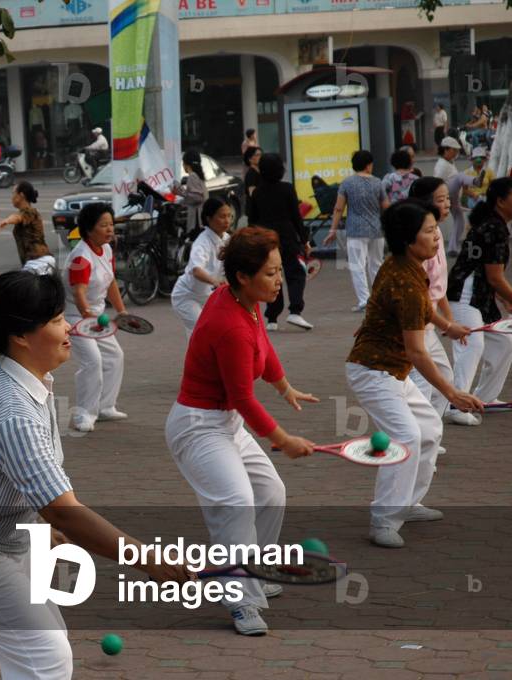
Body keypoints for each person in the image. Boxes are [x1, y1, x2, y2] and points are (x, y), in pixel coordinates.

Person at [0, 270, 192, 678]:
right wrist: (146, 558)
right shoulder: (12, 410)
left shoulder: (27, 382)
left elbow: (37, 495)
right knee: (46, 654)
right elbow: (65, 512)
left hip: (0, 538)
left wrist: (42, 526)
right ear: (22, 336)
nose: (69, 328)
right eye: (56, 319)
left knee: (43, 646)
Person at [167, 226, 317, 635]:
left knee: (271, 492)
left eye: (278, 270)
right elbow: (242, 398)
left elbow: (262, 348)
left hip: (224, 423)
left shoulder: (245, 303)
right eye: (269, 273)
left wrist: (284, 387)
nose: (278, 279)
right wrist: (283, 439)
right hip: (198, 428)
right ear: (242, 278)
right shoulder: (228, 322)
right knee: (236, 500)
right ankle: (241, 601)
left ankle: (250, 573)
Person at [346, 201, 483, 548]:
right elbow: (416, 351)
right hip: (372, 371)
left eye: (435, 228)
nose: (437, 236)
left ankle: (408, 504)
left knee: (430, 429)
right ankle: (384, 520)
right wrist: (452, 393)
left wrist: (448, 325)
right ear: (409, 239)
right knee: (405, 436)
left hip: (392, 372)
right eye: (428, 230)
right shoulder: (402, 278)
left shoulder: (407, 266)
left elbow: (424, 308)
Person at [405, 177, 472, 433]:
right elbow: (419, 298)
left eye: (448, 198)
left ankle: (427, 435)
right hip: (416, 326)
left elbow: (438, 288)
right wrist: (447, 324)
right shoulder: (419, 245)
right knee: (421, 385)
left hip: (428, 326)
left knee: (444, 377)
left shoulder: (434, 235)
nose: (448, 204)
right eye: (441, 199)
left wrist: (449, 320)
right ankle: (417, 438)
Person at [446, 178, 512, 422]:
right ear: (501, 201)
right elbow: (495, 277)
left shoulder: (495, 225)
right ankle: (457, 405)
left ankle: (483, 398)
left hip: (480, 295)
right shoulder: (494, 228)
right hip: (465, 293)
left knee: (505, 343)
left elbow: (492, 275)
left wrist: (505, 299)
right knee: (472, 344)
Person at [63, 202, 129, 432]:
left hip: (96, 316)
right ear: (89, 229)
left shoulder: (107, 249)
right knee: (92, 361)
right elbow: (78, 292)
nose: (110, 229)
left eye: (111, 224)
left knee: (115, 356)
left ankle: (105, 407)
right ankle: (84, 414)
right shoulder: (81, 257)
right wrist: (87, 315)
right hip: (75, 316)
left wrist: (121, 311)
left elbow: (110, 281)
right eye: (104, 225)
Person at [248, 153, 313, 330]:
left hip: (264, 239)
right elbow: (295, 216)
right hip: (287, 236)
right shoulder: (287, 188)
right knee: (296, 272)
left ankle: (272, 318)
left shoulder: (258, 192)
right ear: (280, 170)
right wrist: (305, 240)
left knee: (271, 275)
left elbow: (252, 219)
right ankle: (295, 312)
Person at [325, 150, 390, 312]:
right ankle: (379, 300)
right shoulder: (378, 182)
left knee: (357, 265)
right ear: (368, 165)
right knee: (376, 265)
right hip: (376, 230)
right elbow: (386, 207)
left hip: (355, 230)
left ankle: (364, 301)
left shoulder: (347, 183)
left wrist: (333, 229)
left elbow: (339, 208)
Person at [171, 197, 233, 339]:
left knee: (207, 333)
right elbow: (196, 270)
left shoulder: (227, 239)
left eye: (229, 216)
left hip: (207, 297)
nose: (227, 221)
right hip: (186, 296)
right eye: (222, 216)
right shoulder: (202, 242)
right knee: (202, 330)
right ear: (209, 218)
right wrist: (215, 281)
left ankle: (199, 360)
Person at [0, 181, 55, 274]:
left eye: (13, 193)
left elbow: (18, 217)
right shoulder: (27, 212)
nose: (11, 197)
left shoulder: (30, 212)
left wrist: (7, 220)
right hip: (38, 262)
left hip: (37, 262)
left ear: (21, 195)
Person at [176, 150, 209, 233]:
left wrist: (180, 193)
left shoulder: (192, 176)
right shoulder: (199, 175)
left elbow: (197, 198)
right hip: (202, 216)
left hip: (196, 220)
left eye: (183, 163)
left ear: (186, 164)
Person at [463, 146, 495, 213]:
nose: (479, 160)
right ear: (472, 159)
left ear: (485, 159)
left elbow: (494, 186)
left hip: (486, 199)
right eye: (476, 158)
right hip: (472, 200)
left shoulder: (489, 171)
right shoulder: (467, 173)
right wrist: (473, 194)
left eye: (481, 158)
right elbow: (464, 190)